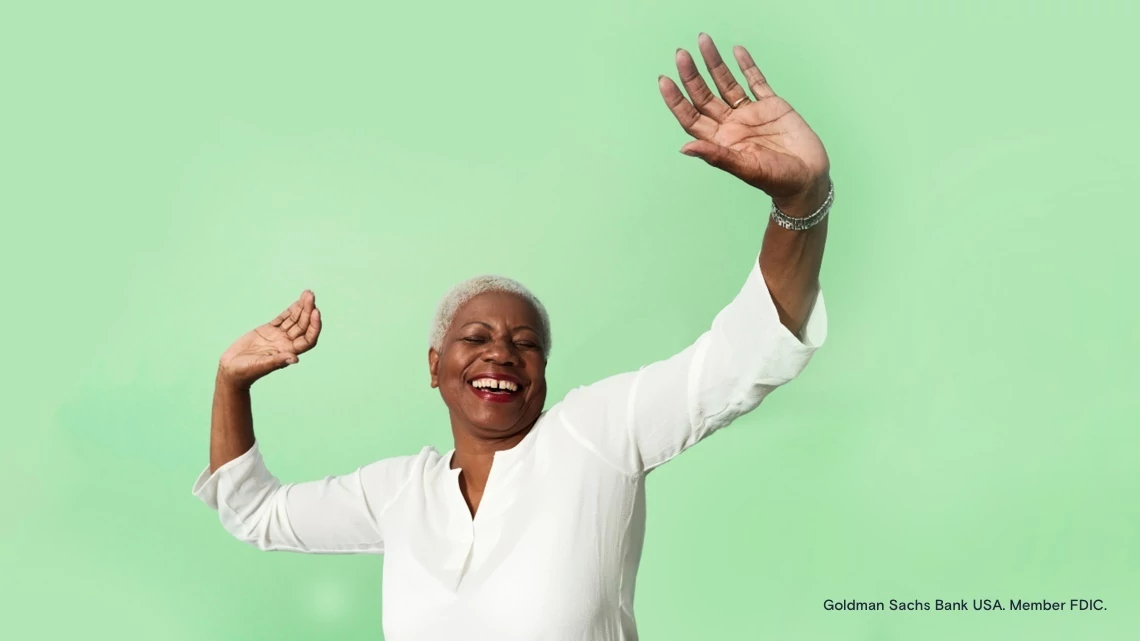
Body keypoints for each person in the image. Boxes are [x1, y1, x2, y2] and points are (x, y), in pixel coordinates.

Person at [193, 33, 831, 641]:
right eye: (477, 337)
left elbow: (743, 355)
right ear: (436, 366)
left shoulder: (595, 435)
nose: (502, 351)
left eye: (525, 343)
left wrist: (801, 201)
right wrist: (231, 381)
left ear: (543, 370)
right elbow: (255, 512)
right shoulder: (398, 494)